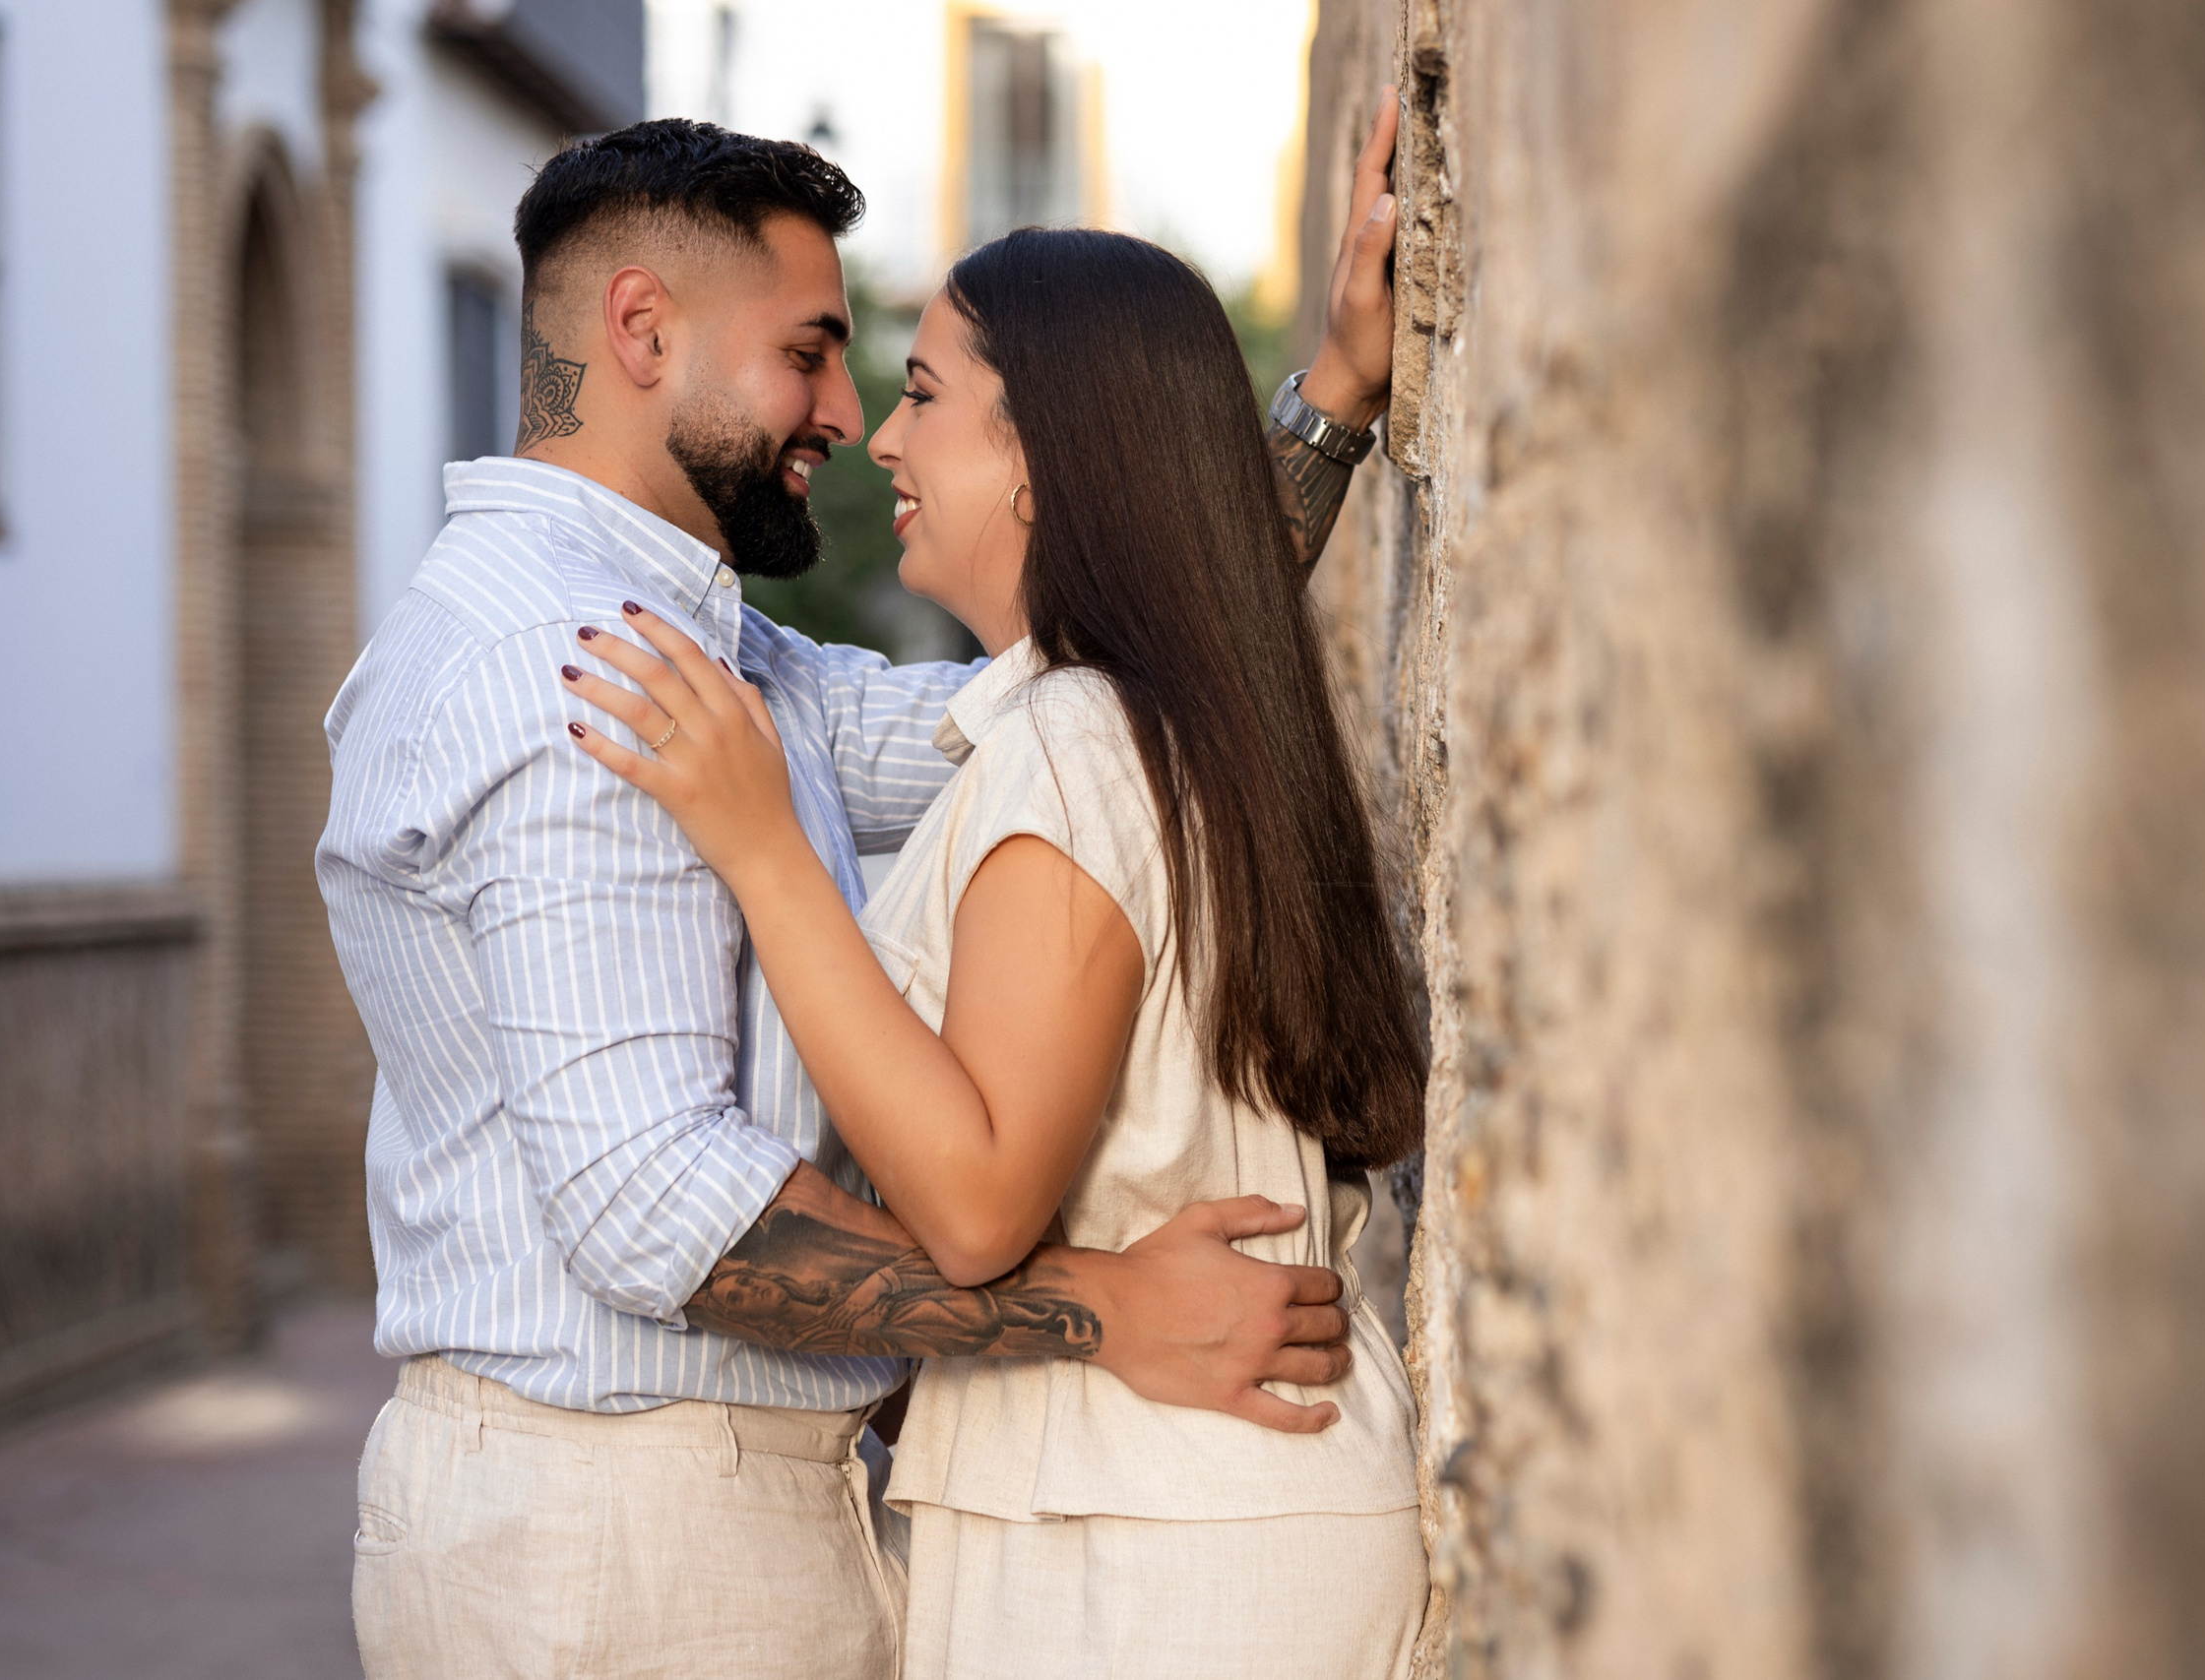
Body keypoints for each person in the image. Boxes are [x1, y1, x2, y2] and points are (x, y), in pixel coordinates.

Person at [319, 104, 1403, 1680]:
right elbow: (656, 1211)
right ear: (644, 329)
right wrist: (1101, 1310)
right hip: (622, 1541)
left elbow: (1120, 643)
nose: (849, 413)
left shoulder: (723, 664)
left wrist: (1331, 409)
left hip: (718, 1516)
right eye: (811, 353)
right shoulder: (576, 676)